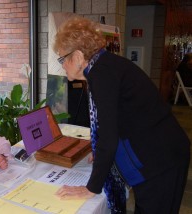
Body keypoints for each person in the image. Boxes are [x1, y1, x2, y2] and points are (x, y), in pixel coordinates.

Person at [53, 16, 190, 214]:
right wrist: (99, 151)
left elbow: (108, 138)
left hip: (161, 161)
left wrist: (91, 188)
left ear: (78, 56)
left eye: (62, 58)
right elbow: (113, 123)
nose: (62, 65)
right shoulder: (104, 67)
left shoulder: (102, 75)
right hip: (161, 150)